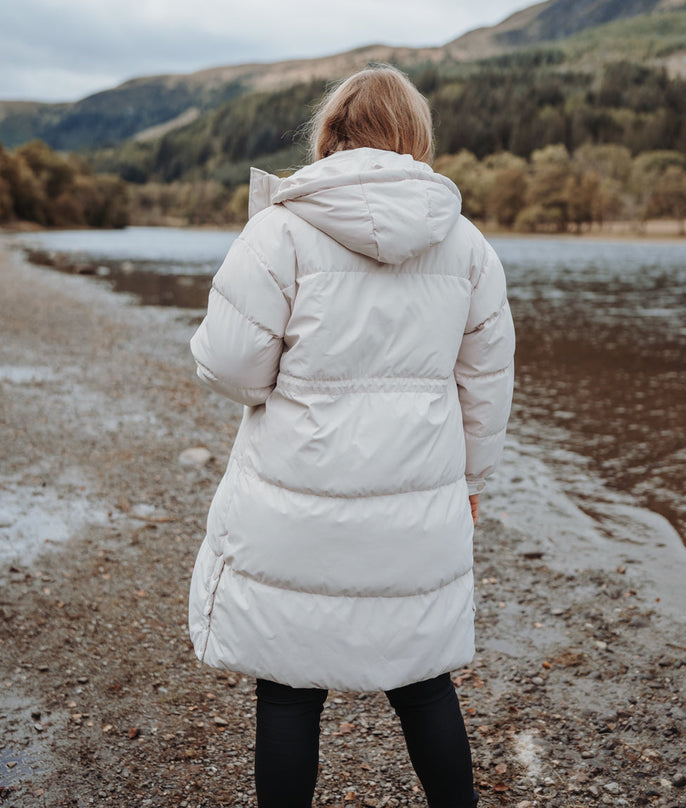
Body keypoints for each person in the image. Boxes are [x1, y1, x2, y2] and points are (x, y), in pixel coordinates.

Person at [187, 64, 515, 808]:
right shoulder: (465, 247)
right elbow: (487, 387)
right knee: (425, 683)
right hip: (416, 504)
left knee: (289, 688)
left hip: (295, 504)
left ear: (330, 133)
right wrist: (469, 485)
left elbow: (233, 369)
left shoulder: (278, 230)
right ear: (414, 136)